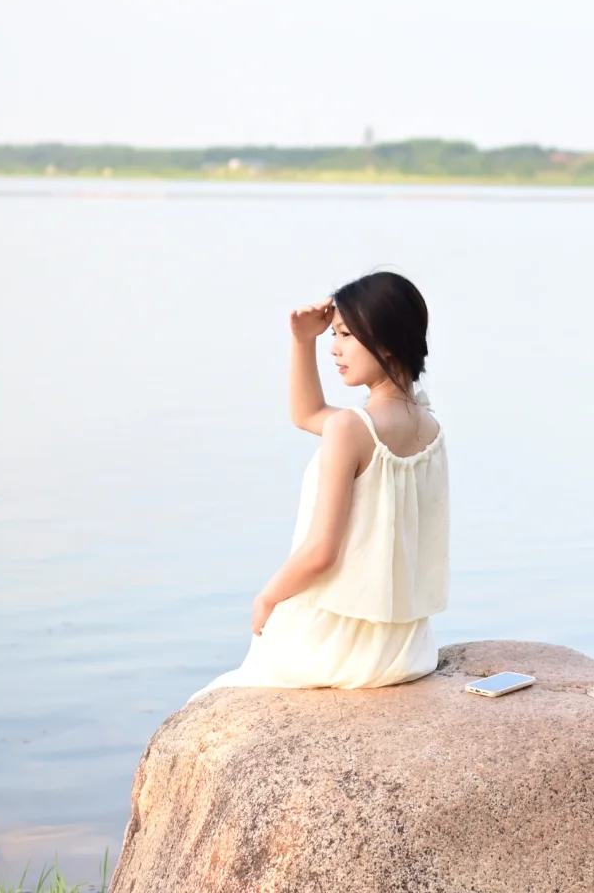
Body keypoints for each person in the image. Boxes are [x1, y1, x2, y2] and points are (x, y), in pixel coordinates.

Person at [190, 272, 448, 697]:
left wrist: (268, 598)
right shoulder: (429, 425)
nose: (334, 347)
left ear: (384, 340)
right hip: (407, 649)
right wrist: (301, 340)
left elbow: (320, 553)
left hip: (342, 647)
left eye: (345, 334)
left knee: (215, 696)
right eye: (332, 334)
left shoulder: (353, 428)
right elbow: (308, 415)